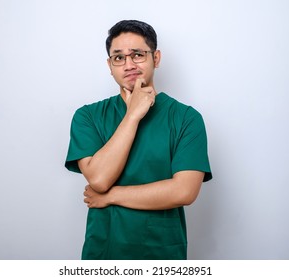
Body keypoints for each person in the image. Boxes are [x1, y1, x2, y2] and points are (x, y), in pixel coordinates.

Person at [65, 19, 212, 260]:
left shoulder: (186, 118)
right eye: (119, 57)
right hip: (104, 251)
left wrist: (112, 196)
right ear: (109, 65)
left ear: (156, 58)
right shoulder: (88, 117)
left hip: (161, 254)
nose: (129, 64)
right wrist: (132, 115)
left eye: (138, 54)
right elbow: (99, 179)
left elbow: (184, 191)